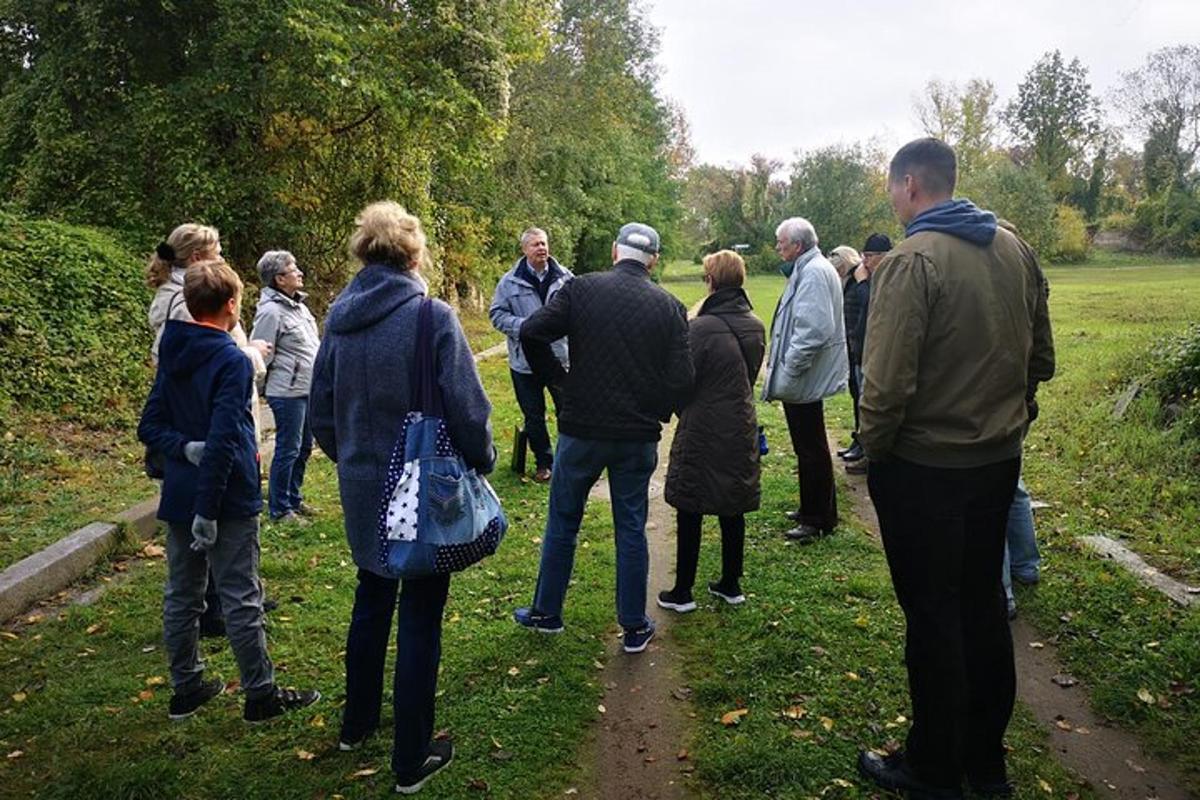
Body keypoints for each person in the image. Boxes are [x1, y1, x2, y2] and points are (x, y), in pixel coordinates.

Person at [856, 138, 1055, 799]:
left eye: (891, 188)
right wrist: (1010, 415)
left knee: (934, 616)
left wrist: (874, 452)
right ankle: (984, 761)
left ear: (911, 184)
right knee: (980, 609)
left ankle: (933, 765)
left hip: (924, 469)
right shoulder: (1014, 247)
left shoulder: (911, 261)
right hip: (997, 462)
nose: (892, 199)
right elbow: (1042, 357)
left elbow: (884, 387)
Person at [309, 201, 495, 794]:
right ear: (414, 254)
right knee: (420, 613)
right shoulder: (430, 317)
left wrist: (354, 461)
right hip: (420, 490)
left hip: (363, 485)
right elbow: (468, 407)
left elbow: (320, 415)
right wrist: (482, 460)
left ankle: (355, 724)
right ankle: (411, 757)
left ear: (364, 254)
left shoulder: (338, 320)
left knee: (371, 596)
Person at [137, 259, 320, 724]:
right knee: (240, 593)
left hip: (180, 489)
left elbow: (152, 426)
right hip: (224, 495)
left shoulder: (172, 349)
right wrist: (206, 499)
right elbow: (222, 438)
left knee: (182, 592)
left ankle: (186, 684)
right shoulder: (231, 359)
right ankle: (260, 694)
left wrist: (182, 448)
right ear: (233, 305)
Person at [512, 222, 693, 654]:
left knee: (562, 521)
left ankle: (546, 611)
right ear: (653, 259)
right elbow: (683, 378)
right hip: (636, 436)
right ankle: (633, 626)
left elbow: (532, 332)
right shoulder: (669, 307)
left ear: (615, 251)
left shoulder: (580, 289)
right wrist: (656, 408)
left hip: (581, 430)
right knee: (631, 527)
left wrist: (560, 383)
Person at [146, 223, 272, 637]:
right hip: (206, 426)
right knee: (214, 513)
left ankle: (228, 595)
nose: (222, 257)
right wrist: (251, 354)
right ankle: (222, 605)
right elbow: (204, 364)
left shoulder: (187, 295)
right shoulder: (190, 302)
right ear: (198, 257)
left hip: (207, 422)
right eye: (217, 251)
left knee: (212, 521)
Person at [658, 250, 764, 611]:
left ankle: (683, 590)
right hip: (741, 421)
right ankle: (730, 583)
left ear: (712, 281)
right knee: (732, 502)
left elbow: (683, 378)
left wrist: (678, 407)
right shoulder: (755, 324)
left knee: (691, 502)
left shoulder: (700, 327)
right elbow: (748, 377)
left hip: (704, 423)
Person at [762, 217, 848, 543]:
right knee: (809, 446)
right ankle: (816, 510)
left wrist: (791, 368)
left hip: (805, 375)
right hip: (806, 374)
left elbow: (813, 330)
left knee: (811, 448)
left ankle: (816, 519)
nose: (777, 247)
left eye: (781, 242)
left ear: (797, 245)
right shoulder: (811, 267)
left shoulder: (813, 272)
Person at [489, 228, 572, 482]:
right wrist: (524, 328)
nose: (542, 248)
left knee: (568, 410)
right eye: (536, 244)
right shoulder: (509, 282)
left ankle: (569, 461)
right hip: (524, 362)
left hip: (559, 358)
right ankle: (544, 463)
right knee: (533, 415)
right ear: (524, 250)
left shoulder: (565, 278)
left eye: (544, 243)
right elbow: (497, 315)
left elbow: (579, 312)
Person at [251, 250, 321, 523]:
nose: (300, 273)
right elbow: (260, 353)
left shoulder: (299, 307)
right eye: (294, 269)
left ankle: (294, 498)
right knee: (288, 449)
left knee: (304, 448)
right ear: (280, 279)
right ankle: (280, 509)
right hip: (286, 392)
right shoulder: (270, 312)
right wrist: (258, 391)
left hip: (306, 389)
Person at [842, 233, 893, 475]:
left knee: (870, 404)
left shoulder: (888, 278)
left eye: (870, 256)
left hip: (874, 354)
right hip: (858, 349)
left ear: (884, 257)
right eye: (864, 256)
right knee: (859, 401)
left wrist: (863, 283)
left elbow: (874, 306)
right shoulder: (865, 276)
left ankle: (871, 454)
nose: (865, 261)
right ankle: (861, 446)